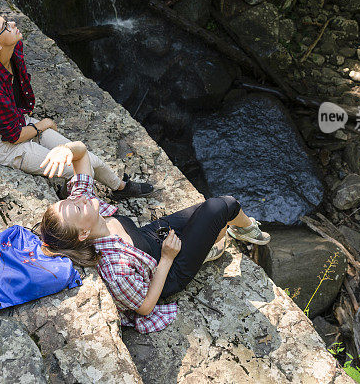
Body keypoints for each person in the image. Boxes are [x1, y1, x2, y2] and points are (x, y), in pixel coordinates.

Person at [37, 140, 270, 333]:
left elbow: (82, 155)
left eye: (70, 200)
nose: (79, 198)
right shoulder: (114, 267)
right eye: (76, 207)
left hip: (150, 238)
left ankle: (207, 248)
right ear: (84, 233)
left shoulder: (86, 207)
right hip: (167, 271)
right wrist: (168, 257)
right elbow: (146, 306)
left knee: (210, 217)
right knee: (224, 206)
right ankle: (249, 231)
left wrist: (66, 149)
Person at [0, 12, 152, 199]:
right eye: (5, 26)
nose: (13, 24)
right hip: (3, 143)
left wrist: (34, 125)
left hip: (19, 122)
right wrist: (42, 124)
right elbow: (13, 136)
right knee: (76, 169)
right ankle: (69, 197)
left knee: (87, 157)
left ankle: (120, 187)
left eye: (7, 21)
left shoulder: (14, 49)